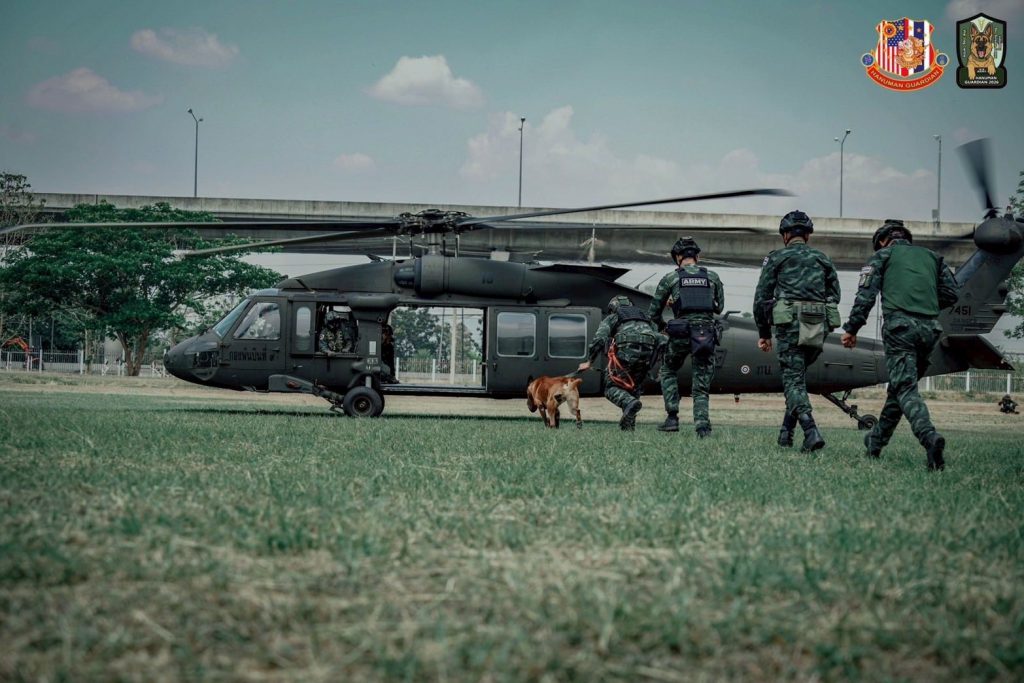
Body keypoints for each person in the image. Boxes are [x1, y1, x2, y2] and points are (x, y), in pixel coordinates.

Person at [842, 219, 960, 470]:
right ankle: (875, 442)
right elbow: (952, 294)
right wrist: (924, 305)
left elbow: (865, 296)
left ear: (883, 241)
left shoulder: (883, 256)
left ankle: (929, 437)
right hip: (930, 330)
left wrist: (852, 329)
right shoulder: (933, 257)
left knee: (905, 389)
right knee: (898, 389)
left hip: (900, 329)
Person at [753, 210, 841, 452]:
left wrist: (763, 333)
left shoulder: (777, 258)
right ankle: (786, 434)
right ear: (807, 236)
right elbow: (835, 294)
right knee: (797, 379)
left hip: (789, 324)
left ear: (785, 235)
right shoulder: (823, 259)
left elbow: (761, 298)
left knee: (792, 381)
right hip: (817, 325)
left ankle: (811, 431)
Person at [646, 237, 724, 437]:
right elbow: (719, 307)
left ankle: (672, 418)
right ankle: (702, 427)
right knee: (701, 383)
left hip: (680, 333)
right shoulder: (712, 276)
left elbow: (653, 312)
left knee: (668, 369)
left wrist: (664, 326)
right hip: (705, 334)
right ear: (697, 256)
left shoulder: (670, 278)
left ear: (678, 257)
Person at [577, 295, 662, 430]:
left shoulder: (613, 317)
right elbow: (657, 339)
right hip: (646, 356)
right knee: (633, 388)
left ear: (613, 307)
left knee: (610, 388)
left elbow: (599, 339)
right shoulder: (646, 318)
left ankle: (629, 403)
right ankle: (628, 427)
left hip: (625, 356)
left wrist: (589, 361)